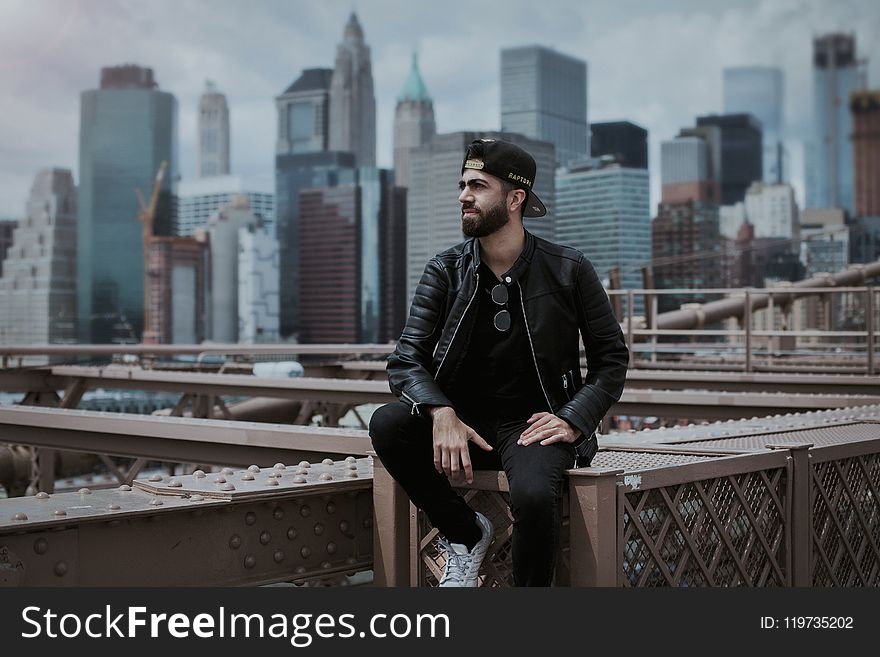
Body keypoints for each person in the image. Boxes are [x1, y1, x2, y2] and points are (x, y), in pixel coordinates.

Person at [369, 138, 629, 587]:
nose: (463, 196)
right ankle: (466, 534)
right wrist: (440, 411)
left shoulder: (569, 269)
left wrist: (572, 419)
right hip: (464, 424)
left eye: (477, 185)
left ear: (515, 199)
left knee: (532, 496)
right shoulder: (445, 270)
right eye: (462, 185)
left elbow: (611, 360)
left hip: (532, 425)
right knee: (387, 425)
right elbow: (405, 360)